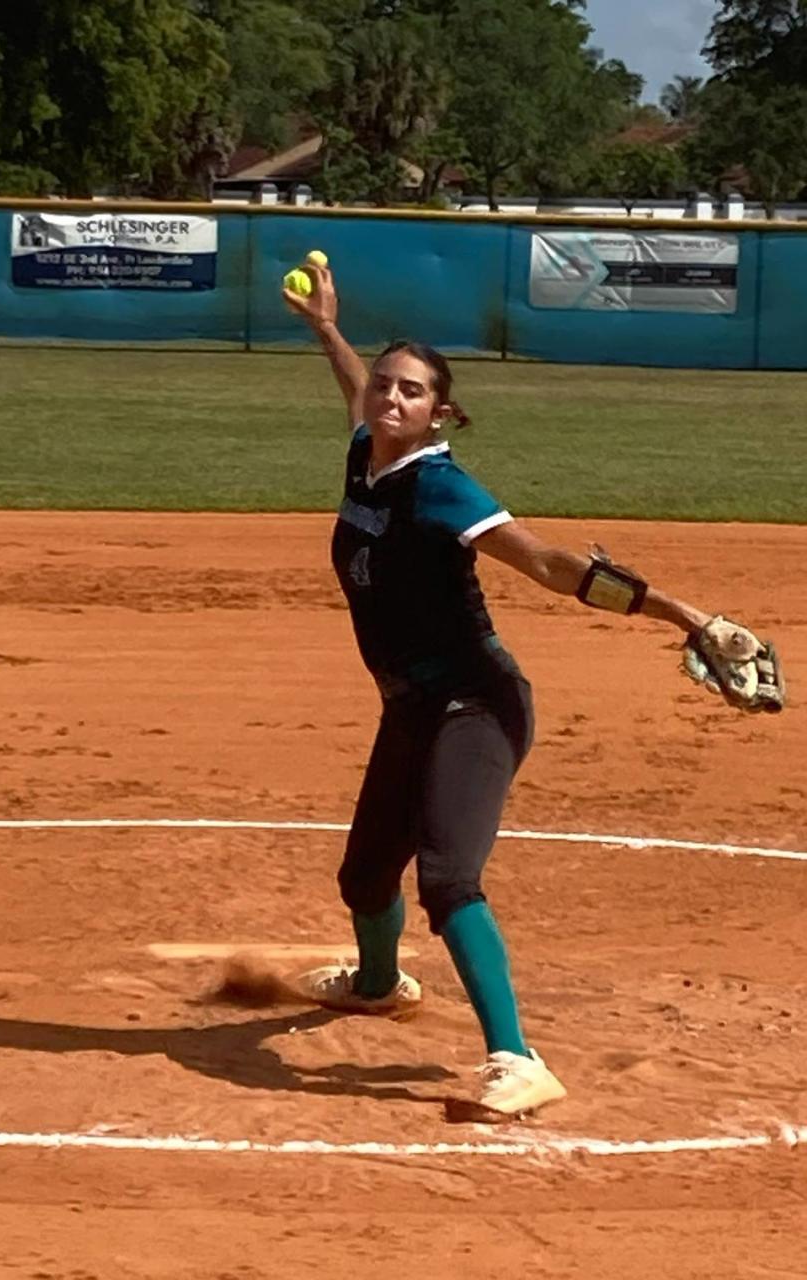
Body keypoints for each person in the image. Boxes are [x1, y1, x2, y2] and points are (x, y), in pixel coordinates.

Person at [282, 261, 718, 1118]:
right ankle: (379, 984)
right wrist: (328, 332)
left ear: (439, 411)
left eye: (410, 392)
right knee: (366, 876)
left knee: (447, 879)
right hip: (409, 706)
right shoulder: (367, 458)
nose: (389, 399)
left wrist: (682, 615)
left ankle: (517, 1059)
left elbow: (548, 563)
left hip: (476, 704)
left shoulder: (441, 485)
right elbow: (355, 396)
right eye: (383, 386)